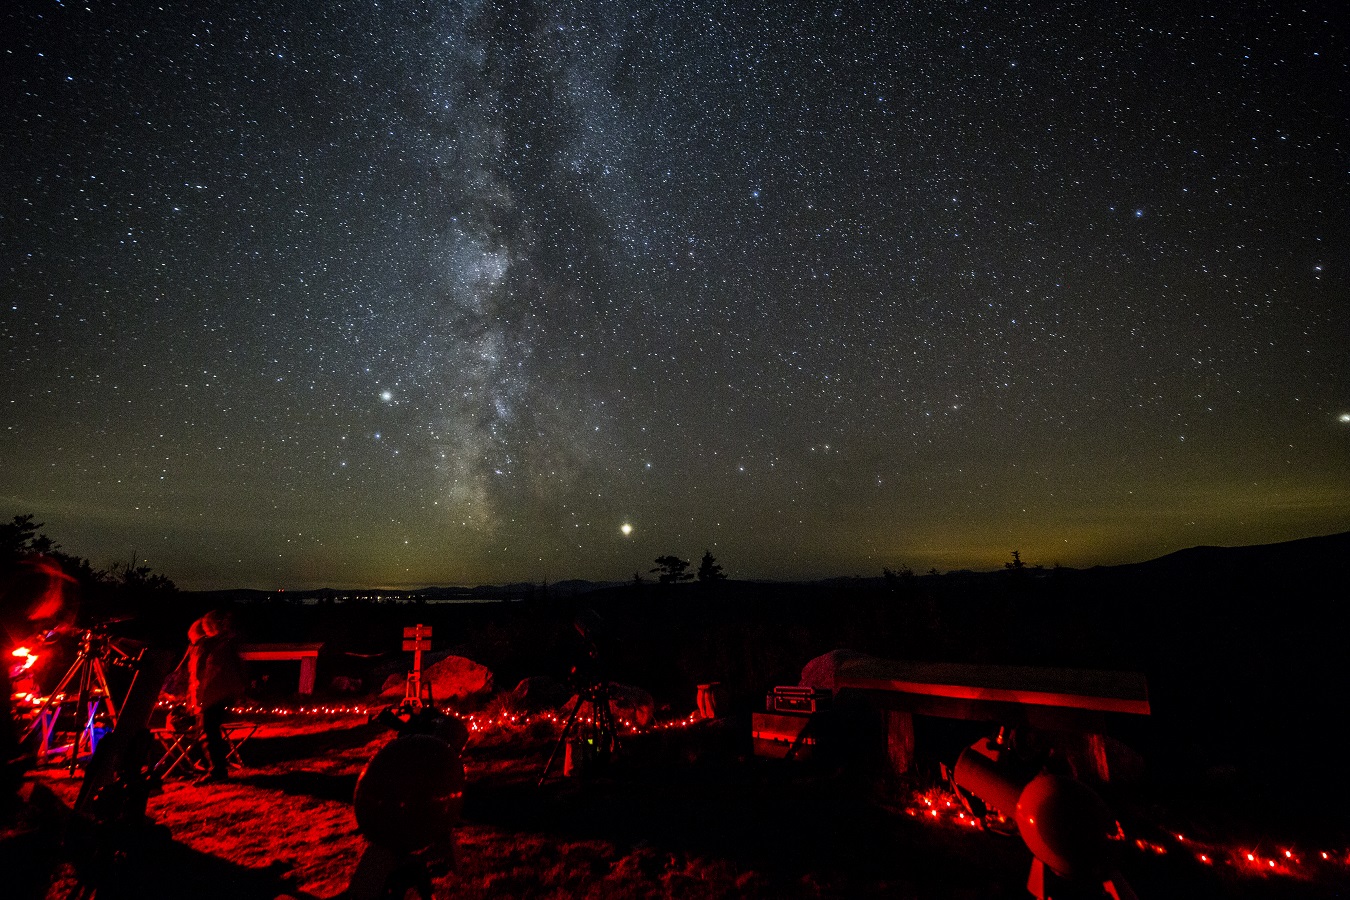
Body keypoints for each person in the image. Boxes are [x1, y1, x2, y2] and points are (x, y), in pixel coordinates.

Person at [186, 609, 246, 782]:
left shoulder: (211, 646)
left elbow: (202, 674)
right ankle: (212, 766)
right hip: (219, 695)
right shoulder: (226, 644)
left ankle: (216, 770)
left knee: (209, 733)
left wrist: (198, 698)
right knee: (210, 733)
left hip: (211, 695)